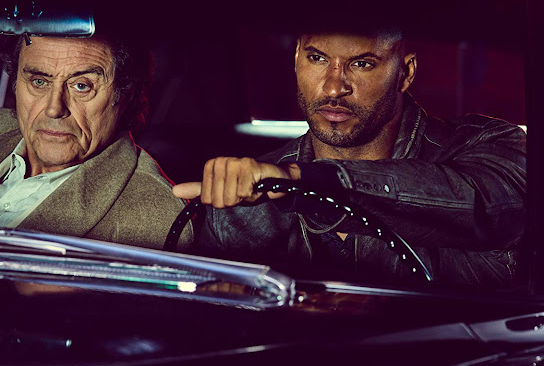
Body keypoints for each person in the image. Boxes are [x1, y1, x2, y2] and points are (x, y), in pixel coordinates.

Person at [173, 27, 526, 288]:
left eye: (362, 64)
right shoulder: (241, 203)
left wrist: (305, 183)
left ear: (405, 73)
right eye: (317, 58)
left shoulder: (491, 145)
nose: (333, 87)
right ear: (296, 58)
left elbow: (487, 207)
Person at [0, 32, 192, 251]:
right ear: (16, 83)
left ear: (124, 95)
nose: (54, 108)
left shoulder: (156, 213)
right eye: (39, 82)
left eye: (81, 86)